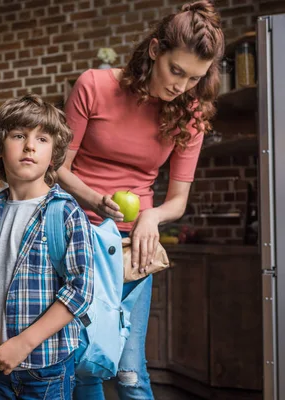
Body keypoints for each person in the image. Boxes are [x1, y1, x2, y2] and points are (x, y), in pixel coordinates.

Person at [58, 1, 225, 398]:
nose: (181, 87)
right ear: (154, 51)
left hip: (134, 246)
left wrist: (150, 217)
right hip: (77, 238)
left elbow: (177, 200)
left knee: (130, 371)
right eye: (176, 71)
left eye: (194, 78)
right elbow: (58, 169)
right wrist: (96, 200)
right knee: (85, 363)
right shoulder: (94, 86)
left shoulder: (191, 113)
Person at [0, 94, 94, 399]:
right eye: (19, 135)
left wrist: (23, 344)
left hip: (45, 368)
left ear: (54, 152)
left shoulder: (65, 212)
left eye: (42, 138)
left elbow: (80, 291)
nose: (30, 146)